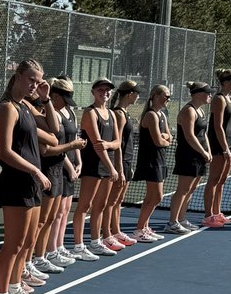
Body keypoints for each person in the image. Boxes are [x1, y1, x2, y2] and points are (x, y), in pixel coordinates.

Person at [0, 60, 52, 294]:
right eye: (30, 80)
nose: (34, 85)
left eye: (38, 82)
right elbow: (4, 152)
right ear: (17, 77)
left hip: (31, 183)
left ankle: (15, 289)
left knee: (26, 242)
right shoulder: (7, 108)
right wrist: (35, 170)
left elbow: (54, 130)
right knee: (13, 245)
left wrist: (46, 99)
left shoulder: (26, 106)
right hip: (17, 183)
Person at [28, 80, 85, 280]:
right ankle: (31, 260)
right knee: (40, 221)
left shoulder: (61, 115)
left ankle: (41, 256)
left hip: (58, 169)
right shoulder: (43, 116)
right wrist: (71, 147)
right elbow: (46, 149)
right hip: (48, 170)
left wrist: (74, 154)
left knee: (50, 219)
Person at [71, 78, 123, 261]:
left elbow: (116, 142)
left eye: (108, 90)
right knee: (85, 205)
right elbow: (95, 144)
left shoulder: (111, 114)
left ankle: (95, 241)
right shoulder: (90, 113)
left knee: (100, 205)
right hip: (93, 166)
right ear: (94, 92)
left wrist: (108, 146)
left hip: (107, 166)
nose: (105, 93)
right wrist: (112, 167)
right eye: (101, 90)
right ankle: (78, 245)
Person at [44, 78, 81, 268]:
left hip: (69, 166)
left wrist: (78, 162)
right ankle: (49, 250)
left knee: (65, 210)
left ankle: (58, 246)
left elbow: (74, 139)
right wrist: (68, 166)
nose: (67, 102)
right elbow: (57, 145)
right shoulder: (53, 115)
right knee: (55, 213)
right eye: (64, 97)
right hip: (58, 166)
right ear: (55, 96)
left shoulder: (70, 112)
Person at [166, 82, 212, 233]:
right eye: (207, 93)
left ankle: (181, 218)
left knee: (191, 189)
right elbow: (190, 136)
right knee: (183, 189)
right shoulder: (188, 111)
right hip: (188, 155)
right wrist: (203, 152)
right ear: (198, 94)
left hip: (200, 155)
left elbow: (204, 133)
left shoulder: (201, 111)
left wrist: (208, 151)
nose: (210, 96)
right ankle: (172, 222)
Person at [203, 69, 231, 227]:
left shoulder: (230, 99)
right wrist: (225, 149)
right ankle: (208, 216)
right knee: (213, 180)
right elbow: (218, 126)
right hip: (219, 144)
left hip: (230, 144)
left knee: (222, 181)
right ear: (226, 82)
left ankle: (217, 212)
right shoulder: (219, 99)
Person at [102, 80, 140, 248]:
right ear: (131, 94)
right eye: (137, 94)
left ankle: (116, 231)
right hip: (120, 162)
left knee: (119, 200)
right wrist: (120, 169)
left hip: (127, 160)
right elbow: (118, 144)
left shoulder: (125, 112)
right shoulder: (119, 113)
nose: (138, 97)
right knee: (111, 201)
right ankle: (107, 235)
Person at [132, 84, 172, 240]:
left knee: (155, 196)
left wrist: (165, 138)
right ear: (155, 96)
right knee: (155, 196)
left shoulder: (162, 114)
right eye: (165, 96)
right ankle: (139, 229)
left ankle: (145, 226)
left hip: (160, 159)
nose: (168, 99)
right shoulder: (151, 115)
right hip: (150, 160)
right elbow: (158, 141)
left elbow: (169, 136)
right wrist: (165, 140)